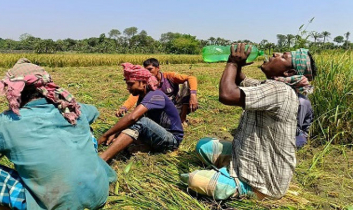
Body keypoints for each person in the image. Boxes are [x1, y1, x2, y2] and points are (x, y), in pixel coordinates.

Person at [181, 44, 317, 200]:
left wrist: (232, 63)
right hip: (250, 155)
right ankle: (231, 168)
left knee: (194, 179)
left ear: (289, 72)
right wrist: (238, 64)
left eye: (283, 56)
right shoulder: (271, 86)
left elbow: (226, 94)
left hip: (264, 180)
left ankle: (248, 190)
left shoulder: (280, 91)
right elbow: (243, 80)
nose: (275, 53)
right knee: (203, 146)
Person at [0, 58, 116, 210]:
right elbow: (93, 112)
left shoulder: (3, 123)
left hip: (56, 205)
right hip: (98, 195)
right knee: (87, 131)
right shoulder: (72, 109)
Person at [99, 63, 184, 162]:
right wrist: (116, 132)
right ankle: (139, 146)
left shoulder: (155, 95)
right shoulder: (143, 97)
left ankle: (102, 159)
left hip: (171, 140)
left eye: (131, 84)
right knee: (127, 129)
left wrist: (105, 135)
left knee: (140, 121)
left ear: (143, 83)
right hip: (157, 134)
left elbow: (133, 117)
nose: (128, 88)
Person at [116, 58, 198, 124]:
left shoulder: (169, 76)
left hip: (175, 105)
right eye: (146, 70)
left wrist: (193, 95)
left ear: (158, 68)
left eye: (150, 69)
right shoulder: (147, 82)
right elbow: (135, 96)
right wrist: (125, 107)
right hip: (160, 109)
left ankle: (182, 119)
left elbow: (191, 78)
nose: (148, 72)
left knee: (187, 84)